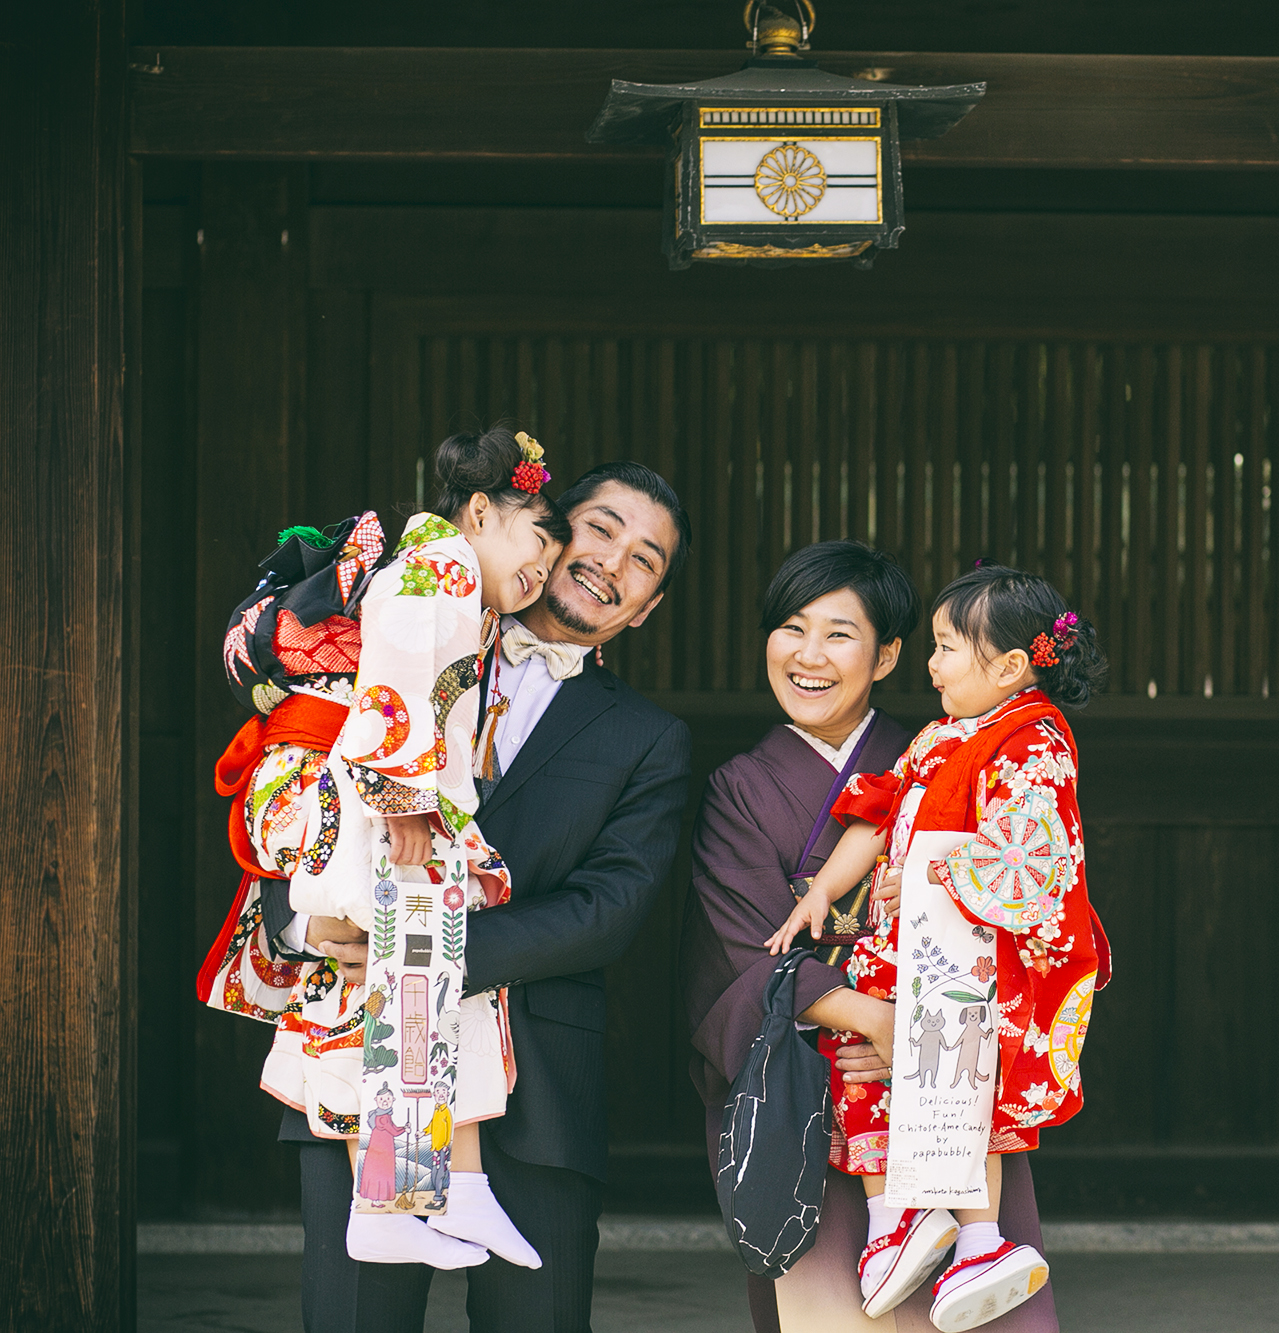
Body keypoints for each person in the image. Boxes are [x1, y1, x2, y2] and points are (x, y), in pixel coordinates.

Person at [262, 460, 694, 1333]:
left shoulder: (651, 738)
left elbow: (609, 908)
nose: (613, 559)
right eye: (601, 528)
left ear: (647, 607)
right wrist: (311, 920)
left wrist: (424, 946)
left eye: (644, 559)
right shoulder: (398, 627)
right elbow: (312, 780)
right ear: (546, 528)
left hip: (540, 1090)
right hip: (363, 1052)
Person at [682, 541, 1060, 1332]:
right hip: (812, 1098)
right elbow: (744, 951)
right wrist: (877, 1020)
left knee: (975, 1293)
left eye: (839, 633)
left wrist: (928, 1028)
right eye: (791, 627)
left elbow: (1032, 895)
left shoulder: (951, 755)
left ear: (891, 654)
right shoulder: (742, 789)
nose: (808, 655)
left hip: (949, 1079)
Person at [225, 427, 564, 1271]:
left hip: (380, 791)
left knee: (428, 988)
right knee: (375, 989)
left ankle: (454, 1187)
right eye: (538, 537)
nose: (544, 566)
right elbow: (400, 672)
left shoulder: (463, 582)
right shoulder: (438, 556)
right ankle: (381, 1201)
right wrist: (404, 799)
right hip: (362, 793)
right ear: (481, 510)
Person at [768, 563, 1111, 1332]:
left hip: (980, 962)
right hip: (914, 949)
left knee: (962, 1090)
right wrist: (826, 888)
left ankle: (983, 1241)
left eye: (948, 648)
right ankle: (897, 1221)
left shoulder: (1034, 741)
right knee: (864, 1064)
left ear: (1012, 666)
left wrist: (934, 869)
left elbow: (1032, 857)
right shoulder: (940, 736)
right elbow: (880, 811)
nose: (931, 664)